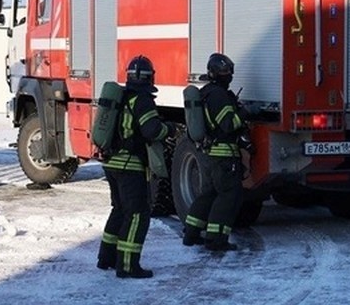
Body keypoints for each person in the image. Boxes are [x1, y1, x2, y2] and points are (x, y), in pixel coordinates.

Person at [98, 55, 175, 279]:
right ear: (151, 77)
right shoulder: (142, 100)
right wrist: (168, 129)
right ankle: (128, 264)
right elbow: (151, 130)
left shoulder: (121, 97)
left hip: (112, 163)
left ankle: (107, 258)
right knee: (138, 214)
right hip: (130, 165)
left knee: (119, 210)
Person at [182, 52, 253, 253]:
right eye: (224, 71)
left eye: (229, 70)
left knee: (210, 194)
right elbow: (228, 124)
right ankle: (216, 240)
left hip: (212, 153)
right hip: (224, 155)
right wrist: (245, 113)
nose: (228, 74)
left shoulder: (207, 92)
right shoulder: (219, 95)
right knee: (229, 196)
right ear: (213, 72)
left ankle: (191, 233)